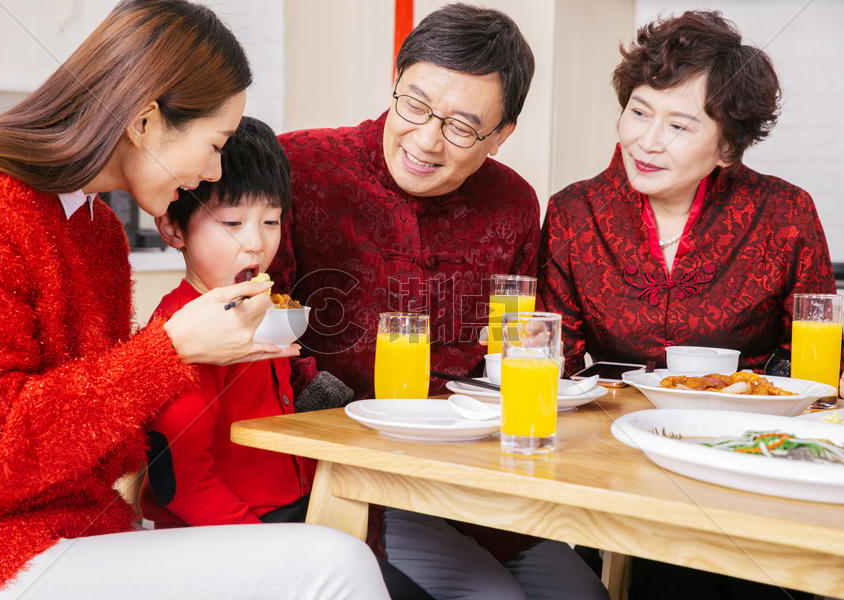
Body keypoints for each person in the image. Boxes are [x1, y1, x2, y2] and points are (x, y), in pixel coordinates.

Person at [0, 2, 388, 599]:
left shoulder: (96, 227)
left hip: (79, 530)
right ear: (145, 122)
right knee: (338, 564)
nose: (213, 171)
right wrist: (170, 352)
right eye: (215, 143)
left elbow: (99, 432)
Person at [272, 4, 609, 600]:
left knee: (581, 593)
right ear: (395, 81)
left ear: (501, 135)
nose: (426, 140)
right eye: (415, 104)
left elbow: (515, 350)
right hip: (348, 477)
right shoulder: (300, 167)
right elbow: (260, 330)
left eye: (461, 127)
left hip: (472, 474)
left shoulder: (512, 204)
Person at [539, 10, 832, 600]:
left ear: (727, 145)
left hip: (748, 462)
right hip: (617, 458)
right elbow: (556, 364)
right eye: (640, 112)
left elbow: (811, 361)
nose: (647, 141)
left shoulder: (785, 213)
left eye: (680, 125)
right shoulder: (574, 213)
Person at [140, 116, 429, 600]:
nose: (256, 241)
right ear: (173, 227)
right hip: (218, 537)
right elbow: (179, 485)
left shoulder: (266, 311)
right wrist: (271, 550)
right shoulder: (176, 332)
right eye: (231, 222)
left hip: (290, 517)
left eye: (270, 220)